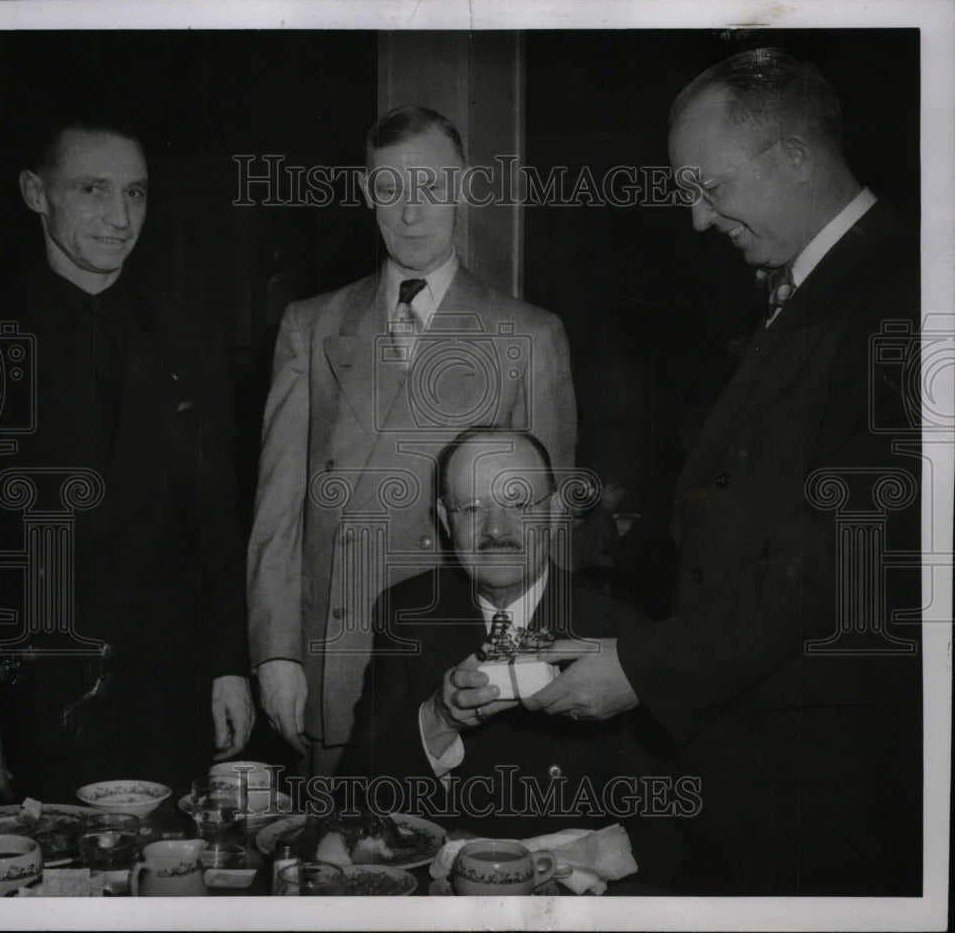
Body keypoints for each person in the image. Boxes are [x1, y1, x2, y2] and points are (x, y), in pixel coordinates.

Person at [525, 48, 922, 895]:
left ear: (796, 155)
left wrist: (645, 668)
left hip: (830, 776)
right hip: (758, 753)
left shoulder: (903, 293)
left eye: (709, 185)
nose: (698, 220)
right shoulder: (810, 291)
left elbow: (838, 555)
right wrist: (635, 643)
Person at [248, 107, 577, 777]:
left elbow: (548, 531)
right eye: (391, 188)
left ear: (463, 187)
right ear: (369, 193)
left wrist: (530, 672)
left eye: (430, 186)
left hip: (466, 669)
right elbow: (276, 513)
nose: (410, 210)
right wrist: (275, 653)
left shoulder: (530, 334)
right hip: (334, 663)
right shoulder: (310, 326)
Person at [0, 116, 254, 800]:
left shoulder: (191, 339)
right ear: (34, 192)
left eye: (135, 193)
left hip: (167, 688)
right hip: (30, 692)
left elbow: (216, 525)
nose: (119, 217)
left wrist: (228, 669)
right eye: (92, 189)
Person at [342, 428, 675, 858]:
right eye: (472, 507)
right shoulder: (406, 614)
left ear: (555, 512)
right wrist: (440, 719)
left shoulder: (620, 635)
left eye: (518, 502)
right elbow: (359, 791)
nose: (496, 529)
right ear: (446, 521)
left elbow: (655, 833)